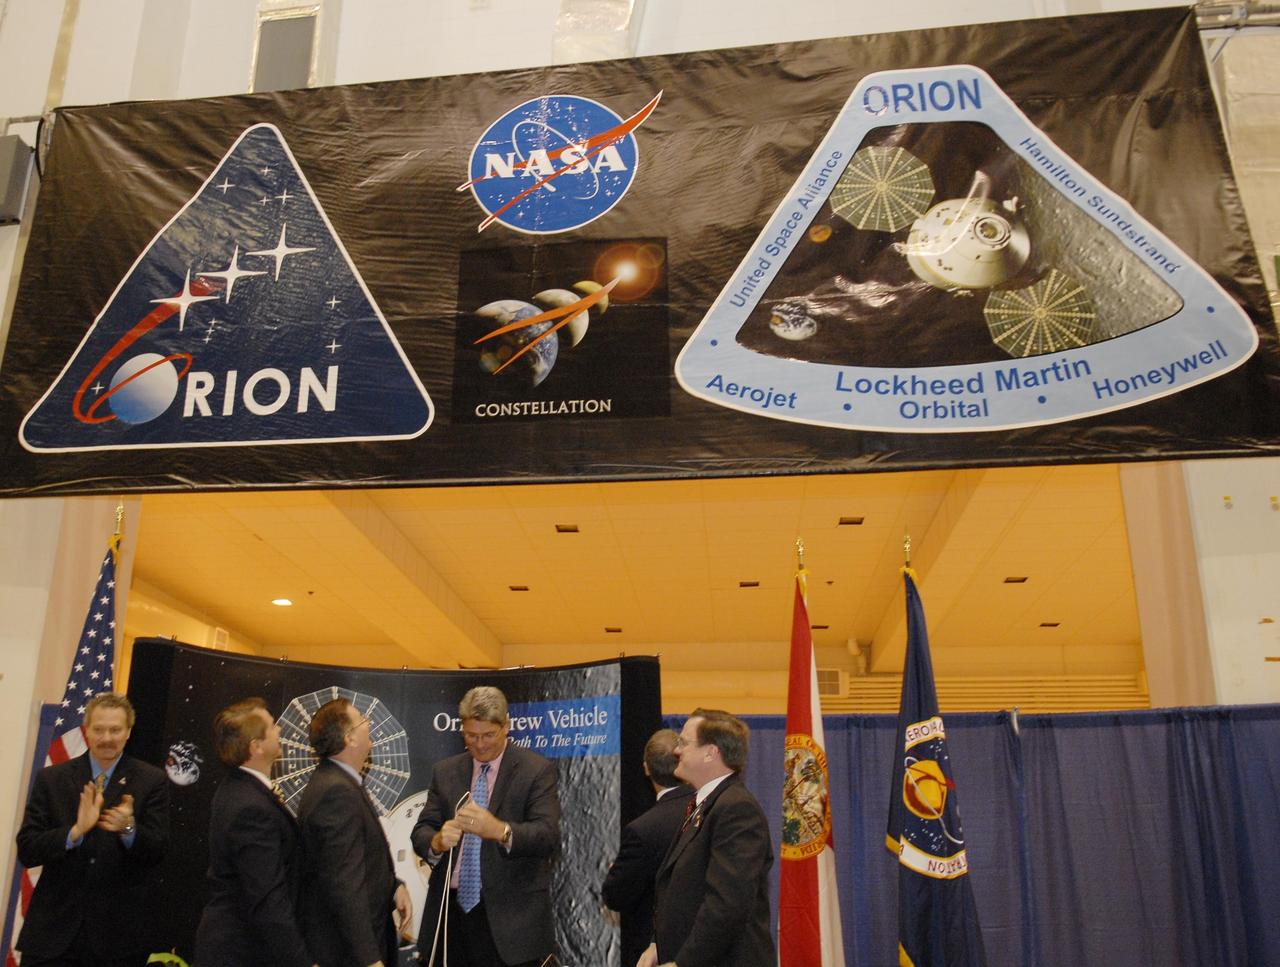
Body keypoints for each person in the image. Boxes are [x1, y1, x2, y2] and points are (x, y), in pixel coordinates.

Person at [15, 692, 170, 967]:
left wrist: (129, 828)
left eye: (115, 730)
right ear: (86, 730)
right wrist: (74, 832)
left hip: (117, 941)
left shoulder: (151, 781)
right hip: (52, 937)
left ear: (128, 732)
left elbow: (158, 850)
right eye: (98, 729)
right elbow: (27, 848)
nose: (106, 738)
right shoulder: (53, 778)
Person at [411, 686, 561, 967]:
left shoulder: (536, 770)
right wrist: (437, 841)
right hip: (451, 918)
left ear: (506, 726)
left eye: (488, 735)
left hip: (511, 922)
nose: (479, 745)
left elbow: (547, 835)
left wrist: (500, 831)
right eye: (471, 735)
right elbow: (421, 832)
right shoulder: (445, 772)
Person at [639, 709, 774, 967]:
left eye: (684, 743)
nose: (676, 751)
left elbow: (727, 905)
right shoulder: (703, 804)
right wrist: (658, 944)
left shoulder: (736, 809)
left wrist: (683, 963)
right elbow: (681, 892)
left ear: (711, 753)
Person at [194, 697, 314, 967]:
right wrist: (301, 961)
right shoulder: (250, 806)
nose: (280, 730)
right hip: (241, 951)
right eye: (272, 727)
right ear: (256, 747)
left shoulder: (239, 789)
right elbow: (267, 896)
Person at [297, 698, 412, 967]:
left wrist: (394, 887)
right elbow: (344, 884)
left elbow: (358, 860)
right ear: (349, 738)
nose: (369, 723)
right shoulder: (336, 792)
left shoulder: (340, 782)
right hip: (345, 953)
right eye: (362, 719)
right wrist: (369, 959)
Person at [602, 729, 693, 967]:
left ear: (646, 768)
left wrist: (618, 872)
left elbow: (616, 896)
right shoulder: (710, 811)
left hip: (655, 951)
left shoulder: (643, 830)